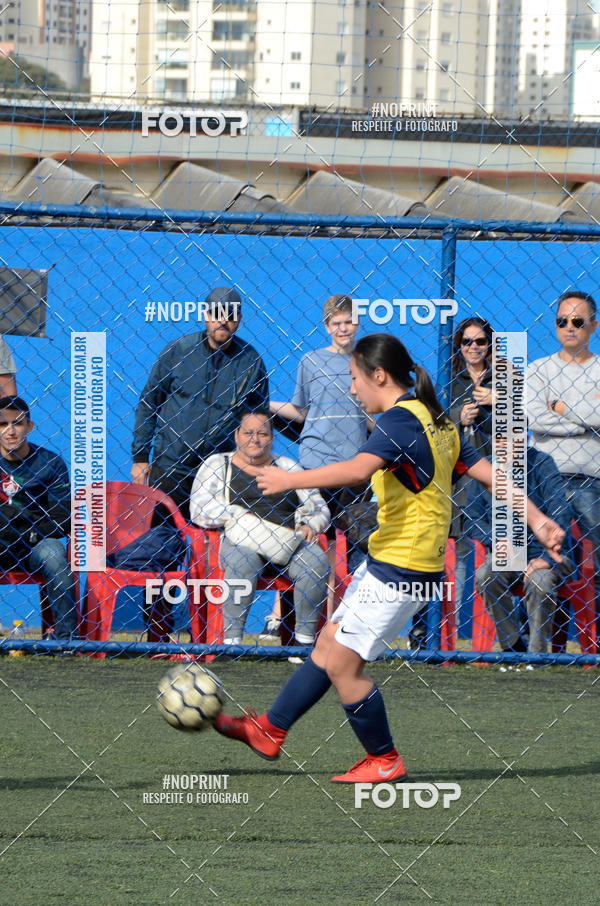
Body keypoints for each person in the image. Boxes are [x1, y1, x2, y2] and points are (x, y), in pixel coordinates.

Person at [212, 334, 565, 784]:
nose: (354, 390)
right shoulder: (435, 419)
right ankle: (270, 728)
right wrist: (536, 518)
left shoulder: (400, 422)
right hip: (391, 561)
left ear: (379, 375)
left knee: (343, 663)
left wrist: (287, 480)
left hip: (402, 569)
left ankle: (384, 758)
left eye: (356, 379)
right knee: (327, 645)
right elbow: (489, 475)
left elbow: (358, 469)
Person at [190, 410, 330, 647]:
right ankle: (232, 642)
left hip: (289, 543)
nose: (255, 439)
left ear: (272, 438)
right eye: (248, 432)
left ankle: (304, 643)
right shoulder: (218, 464)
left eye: (262, 434)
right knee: (244, 561)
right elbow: (198, 508)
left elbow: (320, 509)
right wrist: (237, 515)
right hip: (242, 540)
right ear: (236, 435)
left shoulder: (288, 467)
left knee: (316, 561)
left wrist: (311, 524)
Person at [270, 294, 371, 614]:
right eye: (336, 323)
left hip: (356, 468)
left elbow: (371, 417)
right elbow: (300, 412)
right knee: (309, 541)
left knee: (359, 545)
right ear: (327, 326)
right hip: (315, 464)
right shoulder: (311, 361)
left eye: (348, 321)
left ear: (357, 323)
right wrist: (262, 403)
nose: (343, 328)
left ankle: (351, 614)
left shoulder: (368, 362)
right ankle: (293, 616)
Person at [131, 286, 269, 518]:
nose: (223, 321)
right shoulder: (179, 351)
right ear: (205, 315)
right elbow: (149, 402)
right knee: (159, 542)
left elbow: (259, 419)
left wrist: (252, 464)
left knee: (215, 548)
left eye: (231, 315)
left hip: (219, 473)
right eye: (216, 313)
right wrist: (141, 458)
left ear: (240, 320)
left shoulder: (251, 362)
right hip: (170, 467)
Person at [527, 290, 600, 640]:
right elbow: (533, 417)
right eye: (562, 321)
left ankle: (594, 641)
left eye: (577, 321)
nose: (569, 327)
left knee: (596, 562)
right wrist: (585, 419)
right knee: (545, 557)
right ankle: (546, 646)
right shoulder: (538, 370)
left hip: (592, 479)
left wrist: (560, 407)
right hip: (544, 480)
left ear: (593, 326)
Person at [467, 437, 574, 653]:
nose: (504, 444)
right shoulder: (484, 468)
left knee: (539, 581)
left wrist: (545, 556)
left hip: (547, 555)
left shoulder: (541, 463)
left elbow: (560, 510)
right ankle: (513, 647)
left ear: (523, 438)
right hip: (507, 556)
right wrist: (496, 539)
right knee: (485, 576)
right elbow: (471, 518)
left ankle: (537, 654)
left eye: (511, 437)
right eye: (499, 437)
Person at [0, 396, 76, 639]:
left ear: (30, 426)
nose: (10, 431)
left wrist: (25, 531)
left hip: (34, 544)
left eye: (17, 423)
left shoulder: (50, 463)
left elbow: (62, 518)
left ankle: (65, 641)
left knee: (54, 555)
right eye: (2, 424)